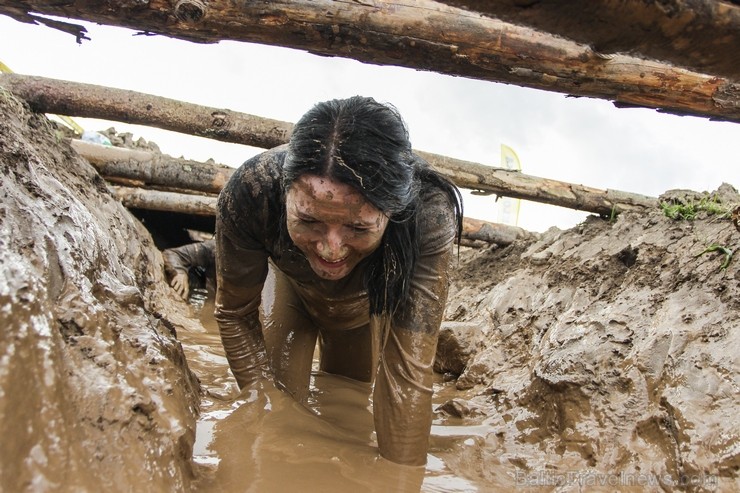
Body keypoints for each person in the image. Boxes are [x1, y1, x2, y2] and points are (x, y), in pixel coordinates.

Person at [214, 96, 463, 466]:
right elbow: (234, 313)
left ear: (391, 212)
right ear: (284, 195)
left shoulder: (427, 214)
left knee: (352, 391)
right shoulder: (252, 190)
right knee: (280, 404)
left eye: (358, 227)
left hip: (368, 304)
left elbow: (407, 377)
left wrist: (401, 478)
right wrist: (267, 410)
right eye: (310, 221)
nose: (331, 249)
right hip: (292, 290)